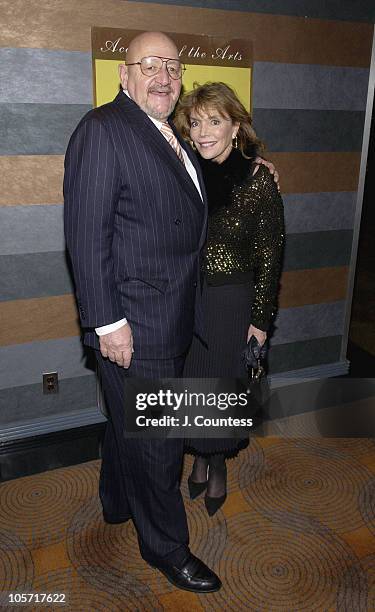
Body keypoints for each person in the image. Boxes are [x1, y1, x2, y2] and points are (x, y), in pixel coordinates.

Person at [64, 32, 222, 593]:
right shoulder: (104, 129)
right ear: (124, 76)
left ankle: (114, 501)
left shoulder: (170, 134)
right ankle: (167, 548)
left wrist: (258, 171)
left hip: (175, 313)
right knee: (159, 445)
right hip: (137, 322)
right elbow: (87, 235)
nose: (164, 75)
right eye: (149, 64)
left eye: (173, 66)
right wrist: (107, 323)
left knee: (130, 425)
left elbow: (189, 206)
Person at [174, 82, 285, 516]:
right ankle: (201, 455)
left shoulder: (258, 180)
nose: (204, 132)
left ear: (236, 127)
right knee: (196, 384)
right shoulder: (188, 172)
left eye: (215, 121)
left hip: (231, 302)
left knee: (222, 386)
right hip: (189, 299)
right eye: (196, 122)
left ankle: (215, 462)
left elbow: (270, 257)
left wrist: (259, 321)